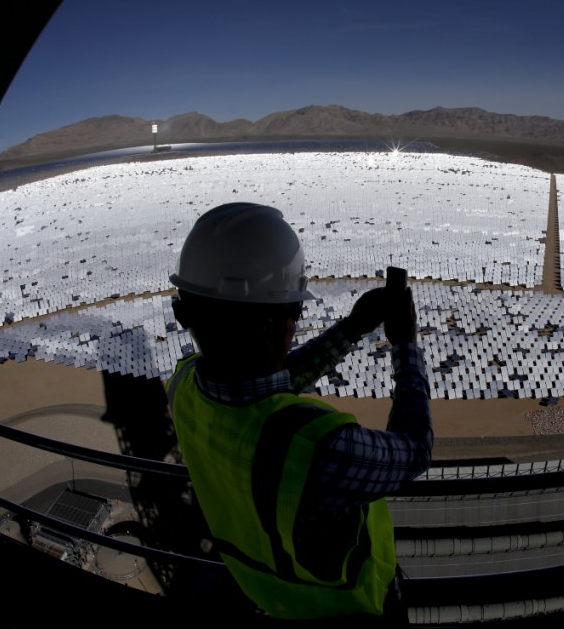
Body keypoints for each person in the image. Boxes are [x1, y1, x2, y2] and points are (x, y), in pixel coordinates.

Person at [166, 202, 432, 625]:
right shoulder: (316, 447)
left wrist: (352, 328)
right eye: (295, 311)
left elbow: (263, 383)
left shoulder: (182, 386)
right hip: (350, 614)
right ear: (273, 325)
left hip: (258, 590)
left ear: (187, 313)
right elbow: (415, 449)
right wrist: (406, 345)